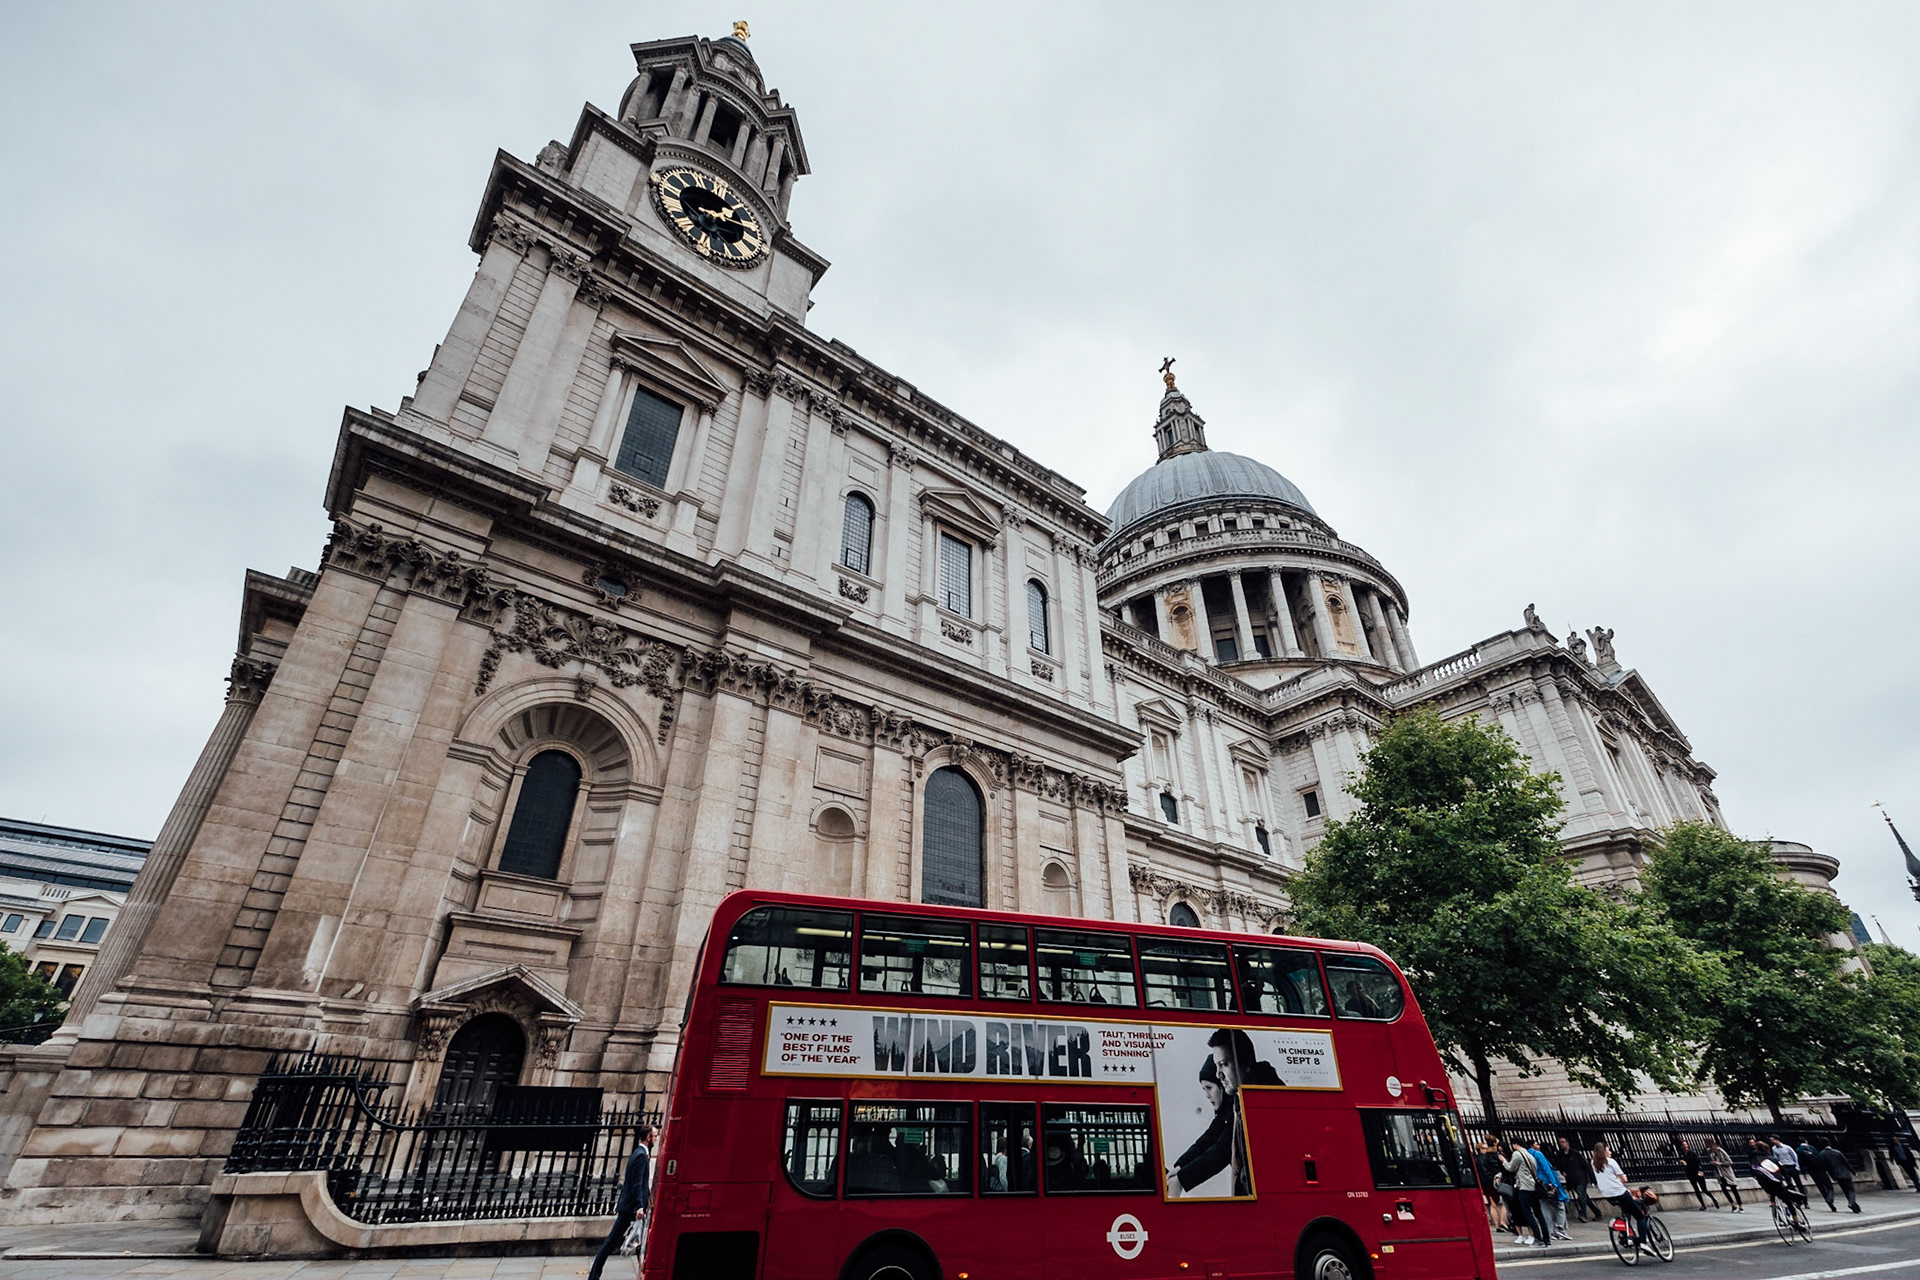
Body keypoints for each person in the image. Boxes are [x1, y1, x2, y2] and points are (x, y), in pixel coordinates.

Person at [588, 1123, 656, 1280]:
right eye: (654, 1136)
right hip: (631, 1208)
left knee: (642, 1242)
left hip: (631, 1207)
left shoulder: (639, 1153)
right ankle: (593, 1276)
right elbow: (637, 1183)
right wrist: (639, 1206)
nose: (655, 1139)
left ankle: (645, 1273)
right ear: (648, 1137)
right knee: (611, 1243)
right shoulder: (640, 1156)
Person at [1168, 1055, 1235, 1195]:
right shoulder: (1225, 1112)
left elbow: (1222, 1151)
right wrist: (1179, 1166)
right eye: (1204, 1089)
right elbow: (1207, 1140)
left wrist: (1181, 1179)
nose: (1207, 1095)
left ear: (1222, 1084)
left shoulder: (1235, 1111)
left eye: (1209, 1088)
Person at [1591, 1140, 1651, 1254]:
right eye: (1608, 1150)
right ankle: (1643, 1242)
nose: (1611, 1152)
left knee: (1627, 1210)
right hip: (1620, 1193)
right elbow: (1624, 1179)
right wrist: (1622, 1177)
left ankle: (1627, 1235)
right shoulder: (1611, 1162)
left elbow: (1607, 1178)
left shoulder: (1593, 1163)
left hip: (1608, 1196)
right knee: (1640, 1216)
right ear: (1603, 1151)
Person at [1503, 1139, 1549, 1248]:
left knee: (1527, 1213)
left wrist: (1504, 1161)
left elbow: (1511, 1168)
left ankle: (1538, 1238)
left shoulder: (1517, 1154)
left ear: (1515, 1144)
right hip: (1533, 1187)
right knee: (1539, 1213)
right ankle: (1546, 1239)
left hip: (1525, 1188)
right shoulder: (1529, 1155)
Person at [1529, 1142, 1571, 1239]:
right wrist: (1554, 1184)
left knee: (1545, 1207)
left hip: (1537, 1185)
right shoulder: (1538, 1154)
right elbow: (1546, 1169)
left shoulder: (1526, 1155)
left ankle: (1550, 1231)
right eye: (1536, 1144)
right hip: (1547, 1182)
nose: (1538, 1145)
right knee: (1560, 1206)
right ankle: (1560, 1228)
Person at [1555, 1136, 1599, 1223]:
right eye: (1560, 1142)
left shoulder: (1575, 1153)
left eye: (1563, 1142)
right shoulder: (1560, 1155)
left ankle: (1583, 1215)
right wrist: (1562, 1171)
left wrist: (1592, 1178)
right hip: (1571, 1179)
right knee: (1584, 1197)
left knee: (1581, 1195)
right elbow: (1558, 1164)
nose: (1561, 1144)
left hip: (1581, 1178)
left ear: (1567, 1143)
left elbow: (1586, 1165)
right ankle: (1597, 1212)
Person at [1815, 1139, 1860, 1213]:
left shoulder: (1822, 1154)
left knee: (1845, 1190)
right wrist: (1854, 1172)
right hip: (1845, 1174)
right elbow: (1846, 1163)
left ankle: (1855, 1206)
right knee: (1851, 1190)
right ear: (1829, 1143)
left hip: (1836, 1175)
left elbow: (1824, 1166)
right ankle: (1851, 1203)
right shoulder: (1837, 1152)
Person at [1476, 1139, 1510, 1233]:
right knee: (1503, 1202)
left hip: (1484, 1183)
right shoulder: (1492, 1157)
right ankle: (1503, 1222)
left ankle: (1497, 1225)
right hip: (1493, 1181)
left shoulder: (1476, 1159)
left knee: (1492, 1204)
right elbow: (1496, 1169)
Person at [1678, 1138, 1720, 1209]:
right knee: (1696, 1189)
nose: (1686, 1147)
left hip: (1697, 1172)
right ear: (1681, 1147)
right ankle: (1703, 1204)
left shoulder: (1692, 1153)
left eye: (1686, 1146)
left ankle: (1713, 1198)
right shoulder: (1682, 1154)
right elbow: (1682, 1163)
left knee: (1704, 1189)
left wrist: (1700, 1170)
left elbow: (1698, 1162)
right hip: (1690, 1173)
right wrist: (1682, 1164)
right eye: (1684, 1146)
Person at [1705, 1138, 1744, 1211]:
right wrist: (1712, 1162)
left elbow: (1729, 1161)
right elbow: (1709, 1160)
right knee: (1724, 1189)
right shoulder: (1709, 1151)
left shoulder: (1720, 1150)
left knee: (1734, 1189)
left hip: (1726, 1172)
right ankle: (1732, 1204)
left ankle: (1740, 1205)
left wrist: (1720, 1163)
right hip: (1719, 1173)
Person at [1798, 1139, 1835, 1211]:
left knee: (1821, 1187)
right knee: (1829, 1186)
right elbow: (1820, 1158)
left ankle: (1830, 1204)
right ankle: (1830, 1198)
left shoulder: (1799, 1150)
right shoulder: (1812, 1148)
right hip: (1821, 1170)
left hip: (1812, 1171)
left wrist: (1803, 1173)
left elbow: (1801, 1163)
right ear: (1806, 1141)